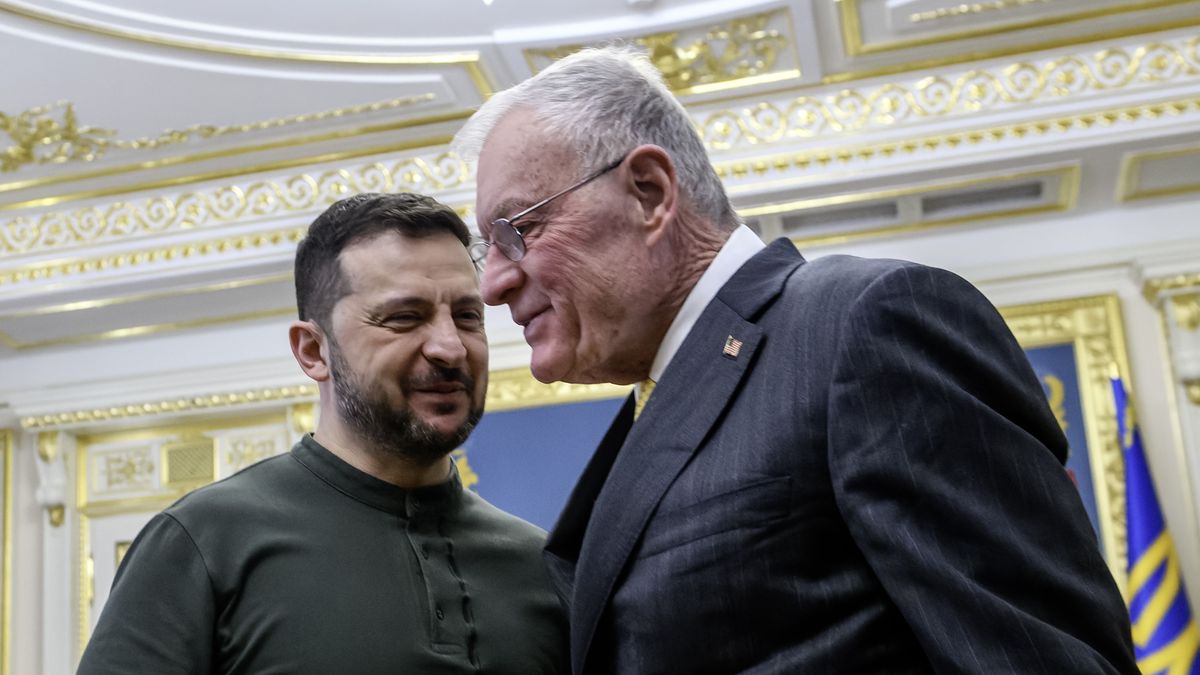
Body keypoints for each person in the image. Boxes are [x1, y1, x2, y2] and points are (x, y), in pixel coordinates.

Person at [452, 46, 1139, 674]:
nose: (493, 283)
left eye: (519, 229)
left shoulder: (867, 322)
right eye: (489, 248)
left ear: (650, 193)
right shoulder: (662, 394)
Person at [78, 193, 568, 674]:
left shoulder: (541, 564)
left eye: (467, 318)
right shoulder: (204, 543)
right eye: (404, 318)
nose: (450, 348)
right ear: (313, 351)